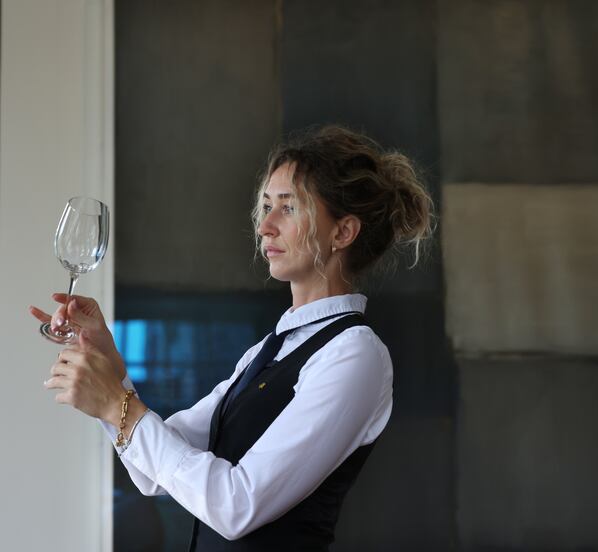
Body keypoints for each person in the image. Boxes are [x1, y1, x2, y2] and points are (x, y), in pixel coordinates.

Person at [30, 125, 435, 551]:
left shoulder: (355, 354)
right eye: (265, 207)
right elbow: (151, 474)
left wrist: (115, 401)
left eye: (288, 207)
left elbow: (236, 506)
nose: (266, 226)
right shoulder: (270, 348)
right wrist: (108, 365)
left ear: (342, 232)